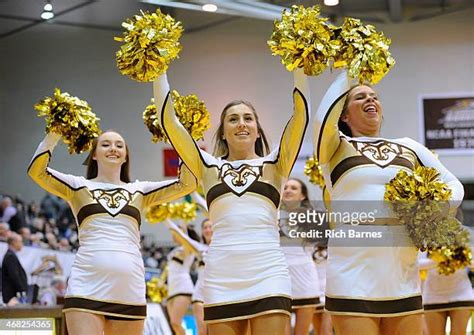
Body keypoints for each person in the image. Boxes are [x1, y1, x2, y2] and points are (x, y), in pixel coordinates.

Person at [154, 67, 310, 335]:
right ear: (223, 132)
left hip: (268, 271)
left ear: (258, 130)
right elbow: (169, 122)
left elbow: (300, 117)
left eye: (248, 118)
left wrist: (300, 66)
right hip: (221, 275)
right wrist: (159, 71)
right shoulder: (207, 167)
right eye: (233, 119)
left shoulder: (276, 163)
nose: (241, 123)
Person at [313, 72, 465, 335]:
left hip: (401, 268)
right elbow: (321, 118)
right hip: (352, 268)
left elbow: (454, 186)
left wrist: (430, 209)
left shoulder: (408, 146)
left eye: (374, 96)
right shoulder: (334, 147)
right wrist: (351, 68)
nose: (370, 100)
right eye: (360, 97)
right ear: (345, 115)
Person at [28, 130, 196, 335]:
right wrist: (54, 134)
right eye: (105, 144)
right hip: (86, 286)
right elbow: (37, 171)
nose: (113, 148)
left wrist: (182, 136)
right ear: (94, 154)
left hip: (129, 289)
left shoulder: (140, 191)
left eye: (119, 145)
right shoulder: (78, 186)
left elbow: (187, 183)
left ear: (126, 156)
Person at [279, 178, 321, 335]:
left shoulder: (312, 217)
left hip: (305, 277)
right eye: (286, 187)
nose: (288, 190)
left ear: (302, 196)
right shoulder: (271, 215)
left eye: (294, 188)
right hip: (280, 277)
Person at [418, 251, 474, 335]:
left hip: (461, 293)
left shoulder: (466, 238)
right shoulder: (426, 238)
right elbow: (416, 264)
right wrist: (439, 260)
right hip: (433, 295)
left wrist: (461, 259)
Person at [1, 232, 28, 305]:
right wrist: (22, 290)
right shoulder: (10, 256)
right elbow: (14, 276)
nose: (22, 244)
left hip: (13, 295)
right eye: (21, 242)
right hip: (12, 297)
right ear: (14, 242)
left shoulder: (11, 255)